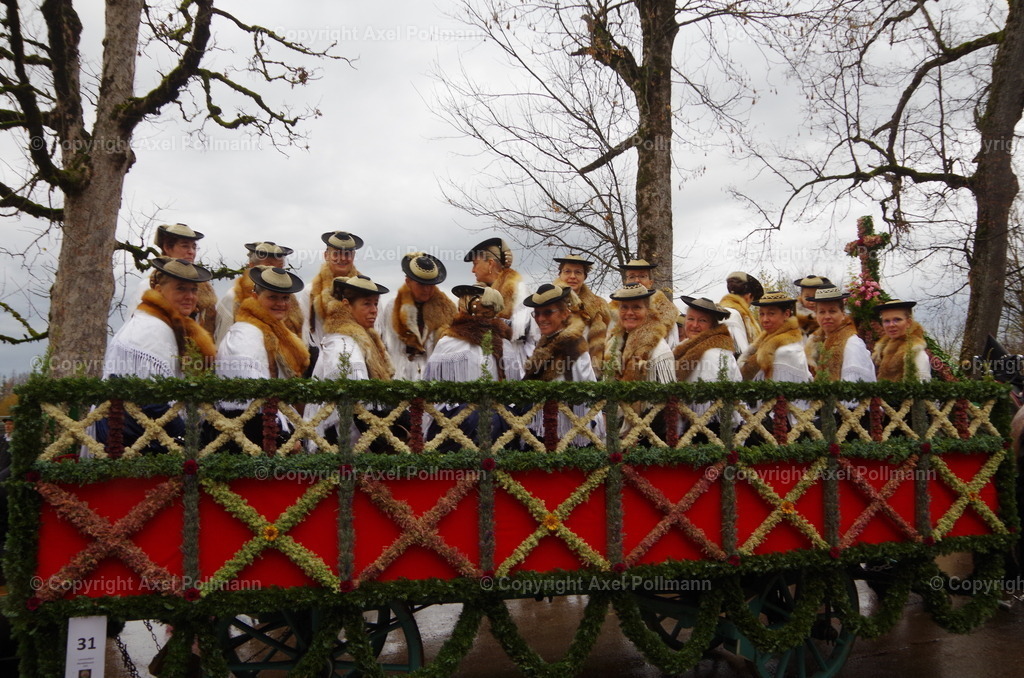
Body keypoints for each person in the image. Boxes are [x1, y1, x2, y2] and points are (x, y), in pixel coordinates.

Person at [98, 257, 217, 452]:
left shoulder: (164, 323)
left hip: (140, 427)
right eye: (180, 288)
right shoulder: (151, 328)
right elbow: (152, 401)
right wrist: (189, 440)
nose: (190, 296)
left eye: (193, 290)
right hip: (127, 435)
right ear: (159, 291)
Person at [215, 267, 310, 448]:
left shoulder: (270, 331)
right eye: (272, 297)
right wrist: (284, 438)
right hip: (248, 434)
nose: (281, 303)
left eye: (285, 298)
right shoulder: (246, 335)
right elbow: (252, 401)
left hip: (266, 425)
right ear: (255, 297)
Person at [422, 285, 516, 449]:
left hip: (460, 427)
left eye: (461, 303)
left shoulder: (448, 343)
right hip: (495, 425)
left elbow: (429, 391)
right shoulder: (505, 345)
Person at [309, 275, 395, 446]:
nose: (374, 310)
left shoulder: (358, 340)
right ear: (347, 305)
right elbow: (355, 406)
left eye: (375, 304)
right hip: (340, 440)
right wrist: (384, 443)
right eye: (366, 304)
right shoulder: (344, 346)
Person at [522, 283, 603, 445]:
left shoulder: (572, 346)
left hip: (569, 434)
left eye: (548, 312)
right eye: (536, 314)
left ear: (565, 313)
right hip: (548, 427)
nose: (540, 319)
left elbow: (585, 394)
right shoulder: (546, 342)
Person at [376, 252, 456, 380]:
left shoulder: (444, 311)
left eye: (430, 285)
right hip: (398, 374)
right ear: (408, 282)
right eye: (421, 285)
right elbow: (387, 343)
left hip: (431, 377)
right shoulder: (394, 306)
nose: (427, 290)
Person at [127, 223, 217, 335]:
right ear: (167, 248)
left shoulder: (204, 288)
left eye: (194, 247)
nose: (191, 252)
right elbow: (135, 326)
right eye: (185, 246)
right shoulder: (149, 286)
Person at [464, 237, 538, 370]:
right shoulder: (480, 292)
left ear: (490, 263)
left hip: (515, 364)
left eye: (475, 264)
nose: (473, 270)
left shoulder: (518, 289)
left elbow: (523, 331)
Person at [215, 241, 305, 343]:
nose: (275, 271)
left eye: (280, 267)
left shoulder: (289, 301)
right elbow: (222, 341)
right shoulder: (234, 297)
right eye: (268, 266)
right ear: (252, 266)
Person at [604, 283, 675, 383]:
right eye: (624, 307)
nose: (629, 313)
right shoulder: (614, 342)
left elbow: (667, 393)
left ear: (648, 311)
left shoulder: (658, 349)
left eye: (636, 307)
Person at [553, 254, 611, 375]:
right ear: (560, 274)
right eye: (567, 271)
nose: (572, 276)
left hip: (588, 371)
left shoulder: (598, 306)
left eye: (578, 272)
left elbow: (608, 338)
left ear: (585, 276)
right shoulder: (549, 302)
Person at [805, 286, 876, 382]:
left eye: (832, 311)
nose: (827, 316)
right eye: (822, 312)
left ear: (843, 314)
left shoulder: (852, 343)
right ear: (816, 315)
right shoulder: (816, 342)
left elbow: (854, 385)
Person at [739, 291, 812, 383]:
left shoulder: (787, 350)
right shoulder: (763, 340)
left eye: (771, 314)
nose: (765, 320)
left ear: (786, 314)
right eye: (762, 314)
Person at [309, 231, 363, 346]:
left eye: (347, 254)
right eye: (336, 254)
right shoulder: (310, 292)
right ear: (326, 255)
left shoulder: (365, 289)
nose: (342, 258)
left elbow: (376, 327)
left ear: (353, 256)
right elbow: (305, 332)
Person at [674, 296, 741, 383]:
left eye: (702, 320)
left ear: (713, 325)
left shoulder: (714, 354)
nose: (695, 325)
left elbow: (713, 392)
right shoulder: (684, 347)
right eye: (691, 319)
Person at [613, 258, 678, 344]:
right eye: (632, 277)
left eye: (642, 276)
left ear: (650, 282)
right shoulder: (612, 313)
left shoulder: (667, 316)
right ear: (626, 282)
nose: (637, 281)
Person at [872, 299, 932, 381]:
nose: (891, 325)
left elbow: (920, 389)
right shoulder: (880, 352)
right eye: (886, 321)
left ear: (909, 323)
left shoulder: (915, 352)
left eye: (897, 319)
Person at [720, 271, 764, 355]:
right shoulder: (733, 315)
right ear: (749, 296)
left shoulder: (723, 311)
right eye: (752, 300)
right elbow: (740, 354)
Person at [793, 274, 834, 340]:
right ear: (801, 296)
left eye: (815, 297)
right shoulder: (793, 318)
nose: (811, 302)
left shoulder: (832, 318)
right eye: (807, 297)